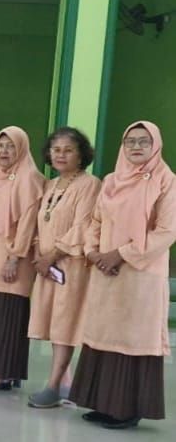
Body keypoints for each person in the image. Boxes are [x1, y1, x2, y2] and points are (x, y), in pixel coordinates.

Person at [69, 121, 175, 429]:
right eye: (130, 141)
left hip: (141, 275)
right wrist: (93, 252)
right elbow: (95, 221)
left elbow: (167, 231)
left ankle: (127, 409)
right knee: (103, 335)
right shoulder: (112, 180)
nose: (136, 147)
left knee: (132, 339)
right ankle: (103, 403)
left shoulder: (167, 181)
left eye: (144, 141)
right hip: (106, 271)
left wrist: (121, 254)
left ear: (155, 145)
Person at [26, 127, 100, 408]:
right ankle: (65, 382)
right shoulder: (51, 185)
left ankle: (54, 385)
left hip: (70, 265)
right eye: (56, 150)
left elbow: (82, 226)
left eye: (68, 150)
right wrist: (39, 254)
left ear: (81, 155)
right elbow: (41, 223)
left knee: (64, 323)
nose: (61, 155)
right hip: (47, 266)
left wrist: (52, 255)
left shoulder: (90, 185)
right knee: (52, 322)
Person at [0, 126, 44, 390]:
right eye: (0, 145)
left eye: (11, 146)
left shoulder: (29, 178)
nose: (4, 151)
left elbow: (28, 222)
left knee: (9, 315)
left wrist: (15, 257)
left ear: (21, 148)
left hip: (15, 255)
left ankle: (3, 373)